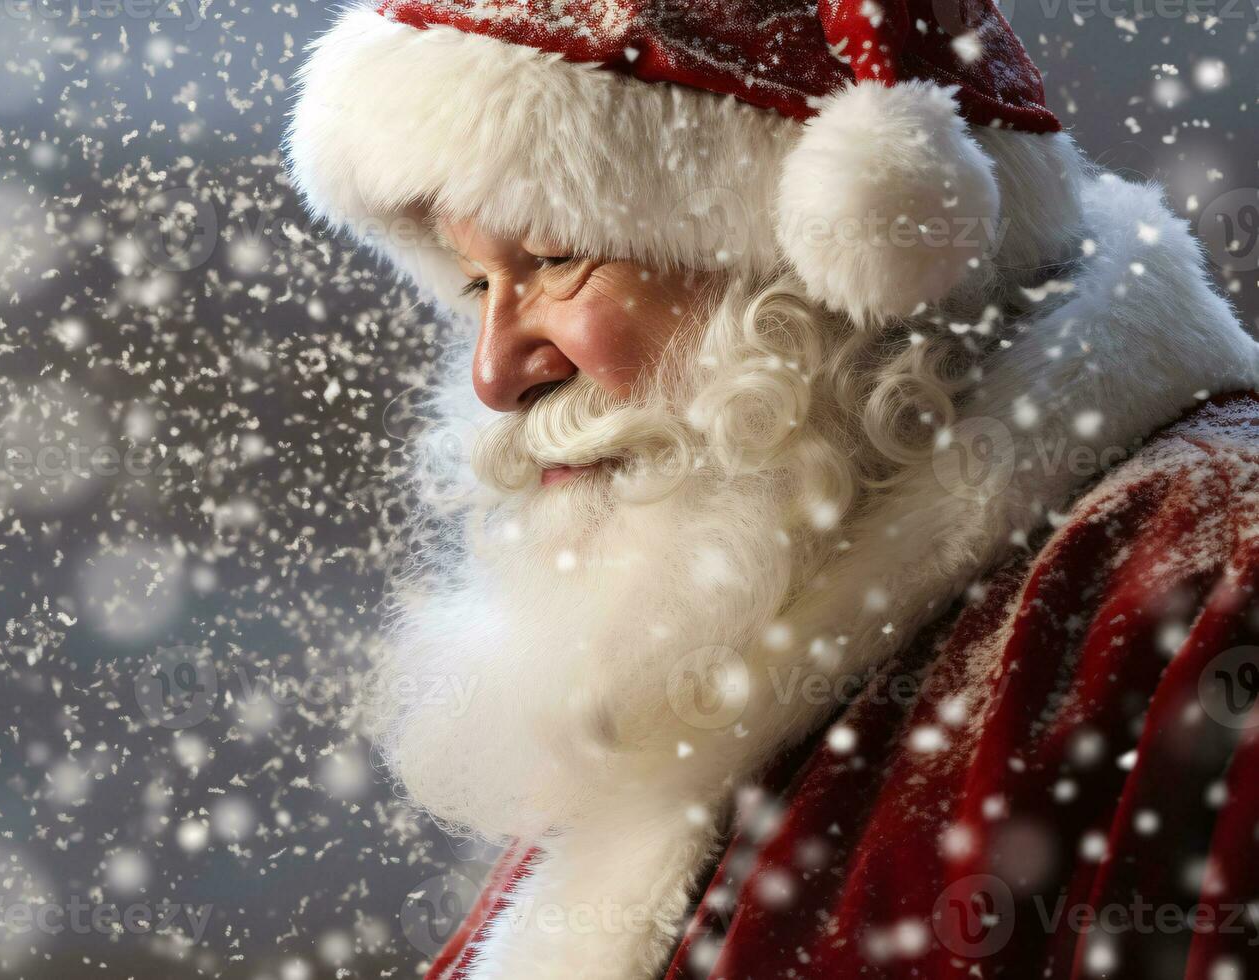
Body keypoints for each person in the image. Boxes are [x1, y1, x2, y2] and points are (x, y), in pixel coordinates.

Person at [286, 0, 1259, 976]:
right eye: (474, 284)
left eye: (553, 259)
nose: (494, 374)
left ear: (822, 260)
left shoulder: (1206, 585)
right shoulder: (728, 618)